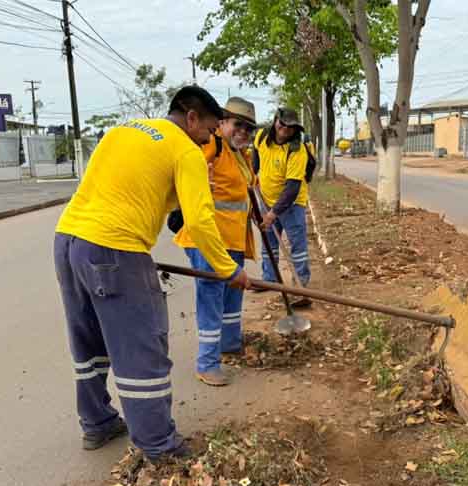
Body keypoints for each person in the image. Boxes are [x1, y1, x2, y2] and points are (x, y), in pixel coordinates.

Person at [53, 86, 249, 463]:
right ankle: (160, 444)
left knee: (89, 340)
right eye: (209, 130)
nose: (209, 140)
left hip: (68, 241)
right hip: (115, 248)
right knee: (142, 343)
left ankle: (97, 422)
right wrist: (229, 270)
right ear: (191, 117)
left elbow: (142, 189)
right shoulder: (185, 149)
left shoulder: (124, 130)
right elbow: (200, 222)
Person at [174, 97, 258, 387]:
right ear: (222, 123)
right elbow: (187, 164)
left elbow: (245, 191)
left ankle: (230, 344)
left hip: (234, 239)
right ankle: (207, 363)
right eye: (238, 125)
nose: (243, 132)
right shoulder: (212, 145)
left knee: (233, 293)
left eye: (249, 128)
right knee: (211, 297)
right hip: (208, 239)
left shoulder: (241, 155)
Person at [253, 108, 312, 293]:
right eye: (282, 123)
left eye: (290, 126)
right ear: (275, 121)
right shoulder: (262, 136)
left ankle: (300, 285)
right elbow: (256, 155)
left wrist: (273, 214)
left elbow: (292, 188)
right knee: (269, 243)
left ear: (296, 129)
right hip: (265, 199)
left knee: (297, 245)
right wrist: (253, 174)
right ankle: (269, 280)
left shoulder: (297, 150)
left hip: (292, 204)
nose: (285, 128)